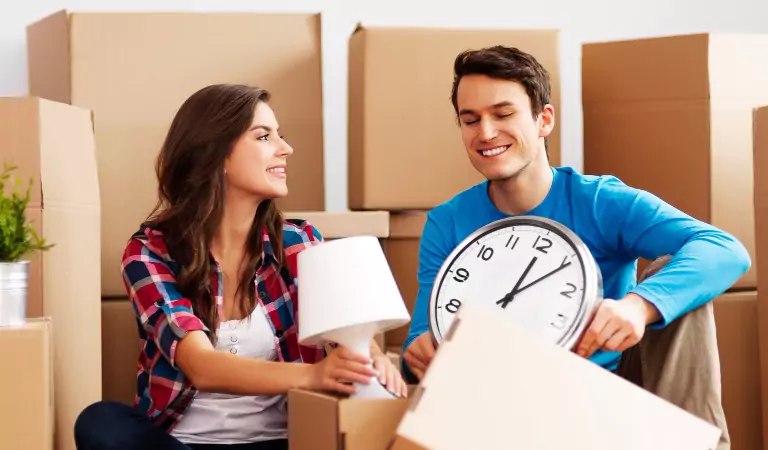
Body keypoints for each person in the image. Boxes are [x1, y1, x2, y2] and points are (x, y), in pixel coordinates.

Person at [401, 46, 749, 447]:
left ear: (543, 120)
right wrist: (419, 353)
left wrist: (639, 305)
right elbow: (423, 333)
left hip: (610, 390)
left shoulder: (599, 201)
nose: (485, 132)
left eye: (502, 114)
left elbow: (723, 248)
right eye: (470, 119)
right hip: (507, 406)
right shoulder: (447, 221)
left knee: (677, 281)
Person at [74, 84, 407, 450]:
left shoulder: (300, 244)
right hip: (180, 444)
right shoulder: (149, 253)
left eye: (280, 135)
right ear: (216, 156)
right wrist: (313, 374)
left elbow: (345, 332)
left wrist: (372, 360)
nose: (286, 149)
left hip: (278, 440)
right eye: (264, 136)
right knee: (100, 421)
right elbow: (200, 365)